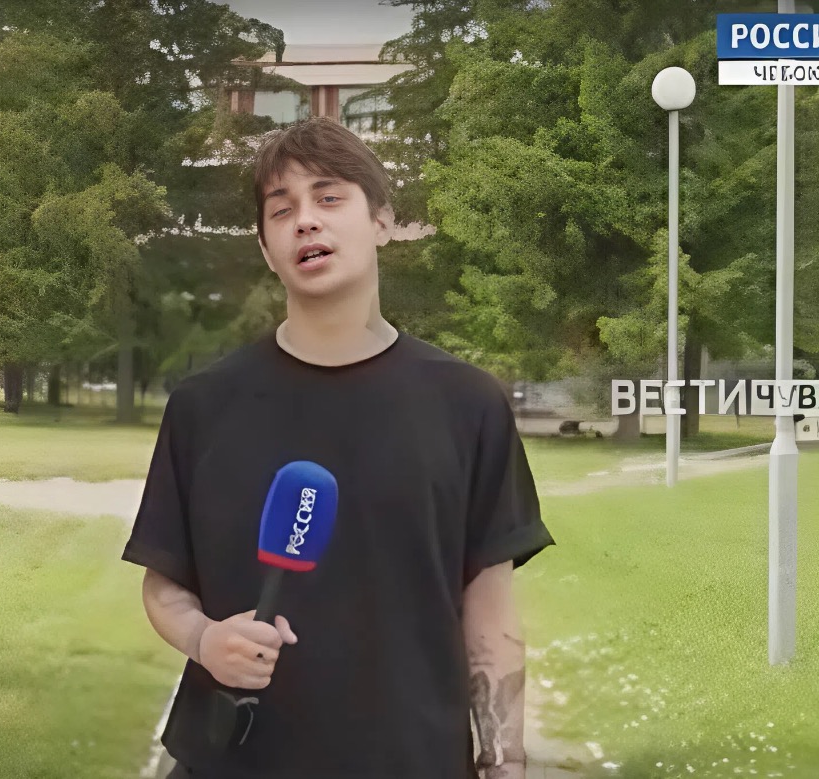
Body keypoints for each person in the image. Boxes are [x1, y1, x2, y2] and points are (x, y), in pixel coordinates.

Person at [121, 117, 555, 779]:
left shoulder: (468, 404)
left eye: (329, 197)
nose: (305, 221)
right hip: (234, 761)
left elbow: (490, 612)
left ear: (381, 221)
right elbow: (164, 582)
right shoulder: (204, 405)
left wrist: (505, 763)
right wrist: (204, 638)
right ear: (266, 248)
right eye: (282, 209)